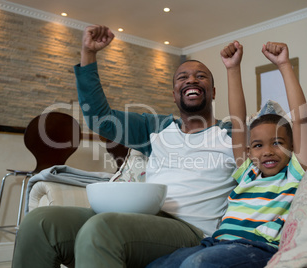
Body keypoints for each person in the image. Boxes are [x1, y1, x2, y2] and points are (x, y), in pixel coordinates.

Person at [12, 25, 238, 268]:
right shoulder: (156, 127)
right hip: (140, 219)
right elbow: (99, 118)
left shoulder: (232, 135)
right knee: (40, 223)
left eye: (201, 76)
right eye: (183, 77)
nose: (191, 79)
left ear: (213, 92)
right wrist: (88, 54)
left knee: (103, 228)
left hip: (192, 231)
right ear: (174, 94)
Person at [147, 41, 307, 268]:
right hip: (215, 243)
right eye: (257, 145)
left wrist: (284, 64)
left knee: (196, 264)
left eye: (277, 143)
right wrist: (232, 68)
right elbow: (238, 122)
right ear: (247, 151)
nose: (267, 151)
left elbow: (301, 120)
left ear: (292, 147)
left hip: (256, 248)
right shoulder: (248, 172)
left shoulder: (293, 172)